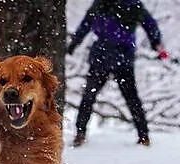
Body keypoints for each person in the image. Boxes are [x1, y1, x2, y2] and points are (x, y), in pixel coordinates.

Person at [67, 0, 167, 147]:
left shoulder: (102, 3)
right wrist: (157, 44)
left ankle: (80, 134)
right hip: (121, 57)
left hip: (103, 56)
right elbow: (150, 25)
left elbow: (86, 23)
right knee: (131, 98)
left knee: (89, 96)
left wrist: (74, 43)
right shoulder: (133, 5)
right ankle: (143, 135)